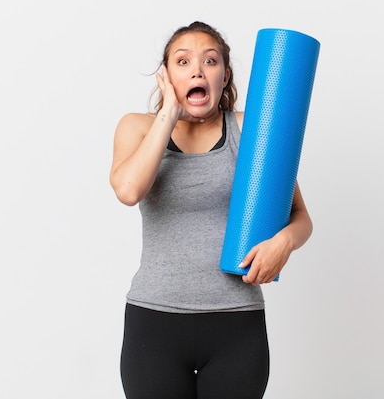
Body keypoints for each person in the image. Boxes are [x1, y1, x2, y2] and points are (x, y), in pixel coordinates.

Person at [109, 21, 313, 399]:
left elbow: (301, 217)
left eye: (210, 60)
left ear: (225, 75)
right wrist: (169, 113)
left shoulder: (251, 130)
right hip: (154, 322)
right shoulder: (137, 128)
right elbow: (129, 189)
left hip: (236, 322)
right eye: (183, 62)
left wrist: (284, 242)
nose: (197, 70)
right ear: (166, 76)